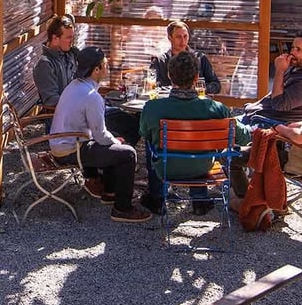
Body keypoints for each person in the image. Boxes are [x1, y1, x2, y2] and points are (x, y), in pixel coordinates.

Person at [139, 52, 252, 216]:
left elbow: (143, 133)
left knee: (154, 146)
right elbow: (244, 136)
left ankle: (157, 197)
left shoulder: (152, 107)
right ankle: (200, 199)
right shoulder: (216, 108)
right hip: (203, 166)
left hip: (166, 168)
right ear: (197, 77)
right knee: (199, 151)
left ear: (170, 76)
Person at [49, 47, 152, 223]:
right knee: (127, 153)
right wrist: (116, 143)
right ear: (96, 69)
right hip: (70, 150)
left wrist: (114, 140)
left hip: (63, 143)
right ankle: (122, 208)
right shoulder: (91, 96)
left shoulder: (74, 86)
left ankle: (110, 192)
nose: (108, 66)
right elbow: (100, 135)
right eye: (104, 64)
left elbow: (99, 133)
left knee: (116, 139)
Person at [241, 30, 302, 127]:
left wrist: (280, 71)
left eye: (298, 50)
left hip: (263, 125)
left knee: (220, 114)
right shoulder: (296, 70)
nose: (292, 52)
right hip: (253, 116)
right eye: (292, 47)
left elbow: (279, 105)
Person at [149, 20, 221, 95]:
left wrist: (200, 88)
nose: (183, 41)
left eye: (185, 36)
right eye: (178, 37)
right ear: (169, 37)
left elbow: (216, 85)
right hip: (169, 102)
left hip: (195, 102)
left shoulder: (200, 58)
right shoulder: (160, 61)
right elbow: (151, 86)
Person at [33, 15, 76, 111]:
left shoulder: (70, 55)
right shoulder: (45, 64)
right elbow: (52, 100)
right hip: (60, 118)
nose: (71, 41)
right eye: (68, 37)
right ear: (55, 38)